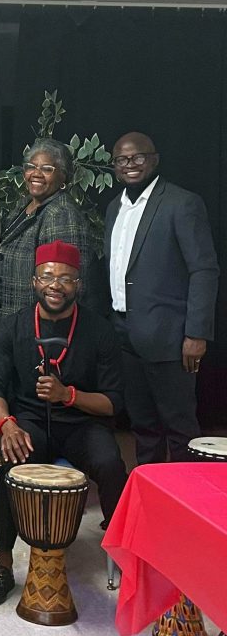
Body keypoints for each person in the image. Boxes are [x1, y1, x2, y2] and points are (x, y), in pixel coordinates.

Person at [0, 240, 127, 606]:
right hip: (29, 421)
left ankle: (124, 553)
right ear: (33, 281)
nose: (55, 285)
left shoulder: (100, 330)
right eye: (47, 276)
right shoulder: (13, 326)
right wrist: (7, 424)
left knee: (110, 464)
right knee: (10, 459)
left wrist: (68, 396)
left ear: (79, 284)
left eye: (65, 278)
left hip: (83, 423)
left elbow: (114, 403)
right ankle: (3, 561)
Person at [105, 132, 219, 465]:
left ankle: (187, 507)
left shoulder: (182, 203)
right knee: (143, 427)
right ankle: (151, 502)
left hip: (171, 337)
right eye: (122, 160)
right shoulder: (115, 207)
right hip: (125, 333)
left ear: (154, 159)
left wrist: (197, 334)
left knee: (180, 428)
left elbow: (204, 270)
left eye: (138, 157)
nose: (130, 165)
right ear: (114, 166)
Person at [0, 138, 96, 323]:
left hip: (40, 328)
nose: (36, 174)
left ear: (63, 176)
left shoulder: (62, 214)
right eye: (31, 166)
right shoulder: (23, 206)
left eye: (47, 169)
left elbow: (65, 287)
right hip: (14, 322)